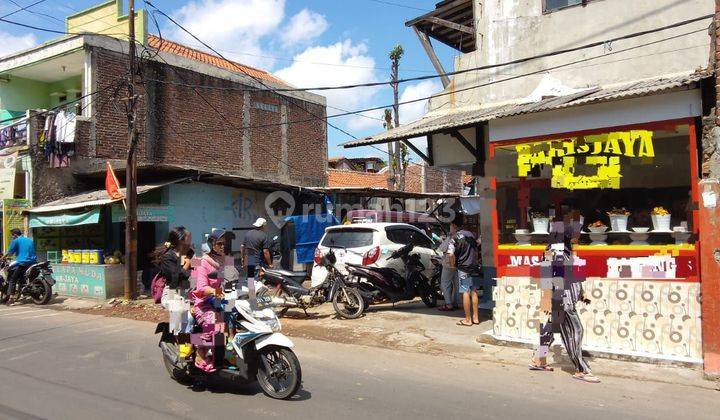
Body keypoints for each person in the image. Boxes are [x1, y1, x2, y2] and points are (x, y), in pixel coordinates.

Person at [529, 210, 600, 383]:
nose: (578, 234)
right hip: (563, 300)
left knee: (550, 330)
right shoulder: (558, 250)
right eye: (576, 230)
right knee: (576, 331)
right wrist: (549, 299)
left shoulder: (563, 249)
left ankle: (539, 359)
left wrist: (581, 293)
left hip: (564, 297)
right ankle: (581, 369)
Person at [190, 230, 227, 377]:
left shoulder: (226, 259)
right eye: (220, 244)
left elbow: (236, 277)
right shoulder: (203, 262)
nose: (223, 246)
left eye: (225, 243)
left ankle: (225, 355)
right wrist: (216, 291)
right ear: (212, 244)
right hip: (204, 304)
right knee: (216, 325)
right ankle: (200, 353)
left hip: (221, 301)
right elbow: (201, 288)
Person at [448, 215, 480, 326]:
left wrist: (452, 265)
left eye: (451, 225)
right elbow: (476, 248)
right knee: (474, 291)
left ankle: (467, 319)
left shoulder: (455, 237)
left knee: (465, 292)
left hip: (463, 268)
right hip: (473, 266)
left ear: (454, 225)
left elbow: (450, 254)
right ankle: (476, 318)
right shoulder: (471, 234)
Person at [150, 226, 193, 307]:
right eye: (188, 236)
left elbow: (198, 270)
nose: (191, 237)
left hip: (187, 292)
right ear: (180, 241)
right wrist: (187, 264)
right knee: (181, 310)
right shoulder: (168, 257)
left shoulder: (190, 252)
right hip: (172, 292)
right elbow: (175, 277)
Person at [5, 228, 37, 305]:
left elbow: (9, 253)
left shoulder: (16, 241)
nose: (12, 237)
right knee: (23, 277)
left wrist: (2, 258)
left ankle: (11, 299)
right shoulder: (29, 240)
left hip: (23, 262)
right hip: (33, 262)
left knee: (12, 279)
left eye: (12, 236)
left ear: (15, 235)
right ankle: (23, 294)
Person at [437, 230, 459, 312]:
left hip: (449, 263)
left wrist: (452, 264)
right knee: (456, 284)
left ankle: (449, 304)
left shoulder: (451, 237)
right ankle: (456, 303)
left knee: (445, 283)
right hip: (459, 263)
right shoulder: (466, 234)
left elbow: (448, 252)